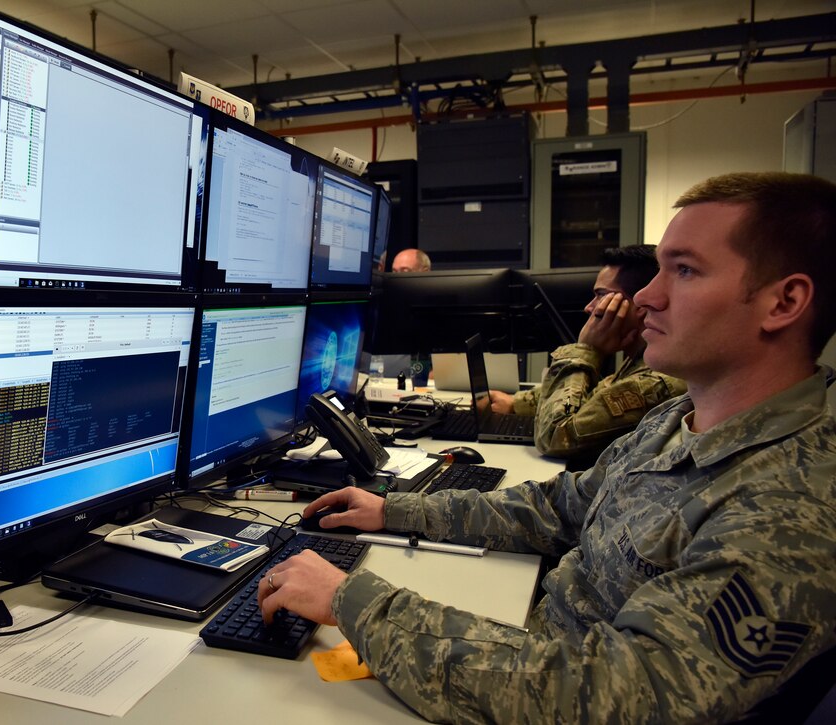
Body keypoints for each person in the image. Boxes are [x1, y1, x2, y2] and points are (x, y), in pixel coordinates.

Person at [258, 172, 836, 723]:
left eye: (684, 271)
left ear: (783, 303)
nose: (647, 297)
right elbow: (559, 507)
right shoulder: (677, 420)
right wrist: (394, 510)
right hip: (535, 649)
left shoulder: (790, 509)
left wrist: (354, 601)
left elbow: (613, 695)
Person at [489, 245, 687, 462]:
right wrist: (514, 403)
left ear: (640, 303)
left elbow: (554, 436)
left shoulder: (657, 379)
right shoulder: (640, 360)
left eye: (601, 295)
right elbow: (593, 396)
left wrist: (584, 351)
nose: (589, 307)